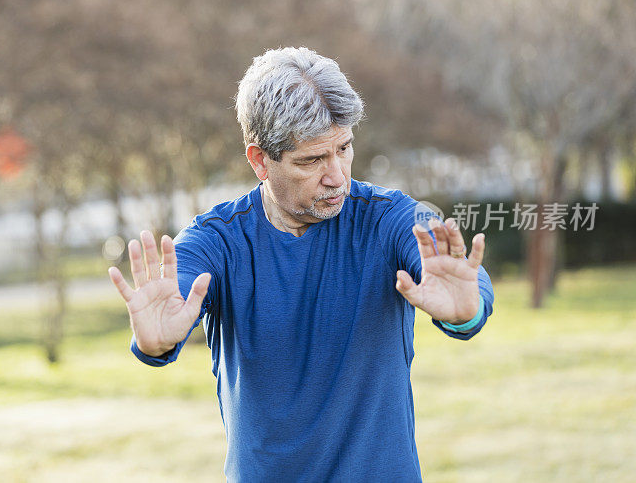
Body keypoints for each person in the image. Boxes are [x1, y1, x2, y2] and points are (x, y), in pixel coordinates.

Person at [108, 47, 494, 482]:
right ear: (260, 161)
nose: (337, 175)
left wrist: (468, 310)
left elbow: (459, 279)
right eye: (312, 160)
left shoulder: (390, 218)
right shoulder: (216, 240)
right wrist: (157, 342)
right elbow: (175, 290)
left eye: (344, 148)